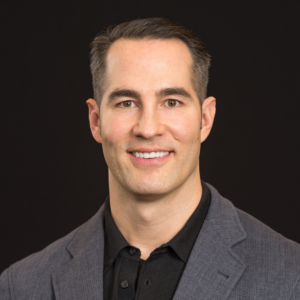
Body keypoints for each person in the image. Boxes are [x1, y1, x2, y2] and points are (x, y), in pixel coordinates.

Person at [1, 18, 300, 300]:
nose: (147, 128)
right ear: (95, 121)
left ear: (205, 119)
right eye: (126, 103)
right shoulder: (21, 287)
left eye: (171, 102)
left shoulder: (291, 278)